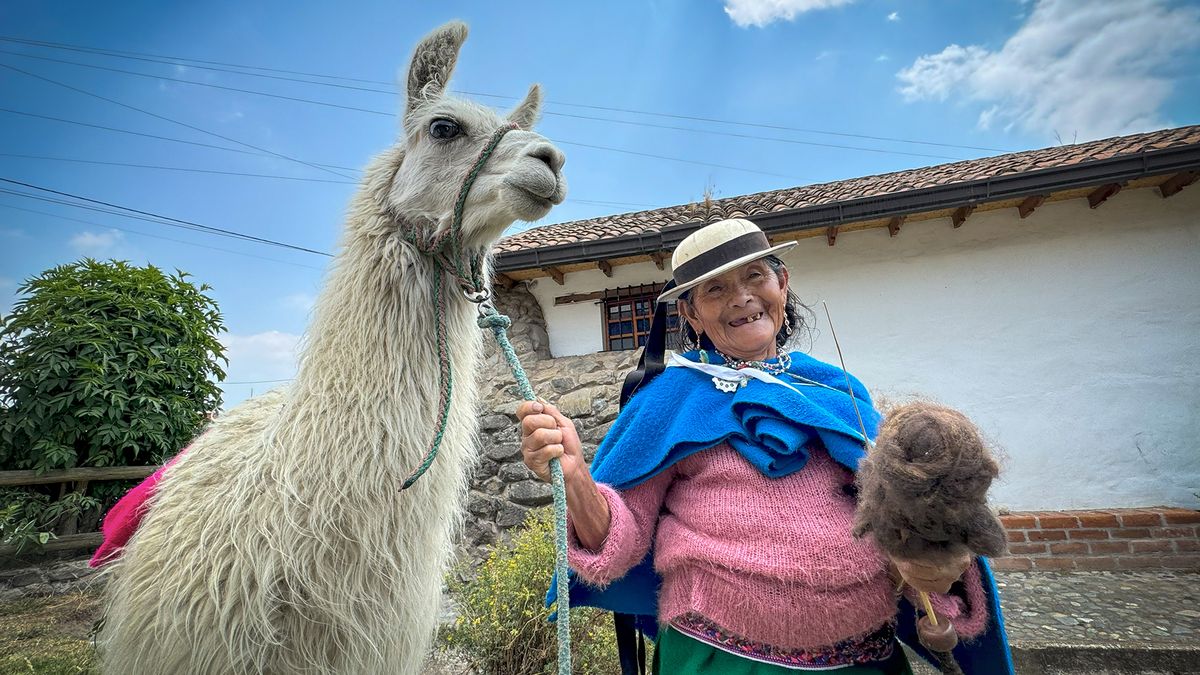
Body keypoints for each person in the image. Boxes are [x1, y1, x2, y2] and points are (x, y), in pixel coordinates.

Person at [517, 218, 1012, 674]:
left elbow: (905, 514)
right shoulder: (668, 399)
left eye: (756, 276)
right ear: (690, 313)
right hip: (719, 660)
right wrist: (577, 476)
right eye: (715, 289)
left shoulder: (837, 391)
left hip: (865, 660)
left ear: (783, 283)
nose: (741, 297)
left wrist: (934, 570)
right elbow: (620, 543)